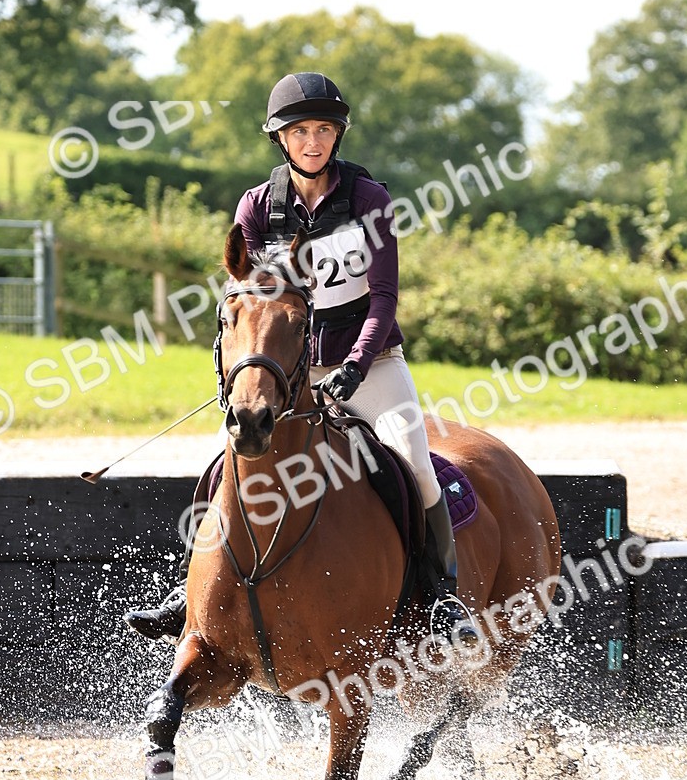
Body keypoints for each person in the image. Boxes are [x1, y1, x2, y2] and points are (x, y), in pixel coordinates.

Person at [125, 72, 478, 645]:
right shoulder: (257, 207)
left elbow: (384, 297)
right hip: (289, 371)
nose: (312, 142)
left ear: (337, 136)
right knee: (225, 468)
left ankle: (440, 596)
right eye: (299, 132)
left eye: (322, 130)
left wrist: (358, 363)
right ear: (280, 140)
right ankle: (185, 589)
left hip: (371, 363)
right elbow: (244, 297)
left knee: (414, 463)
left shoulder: (369, 201)